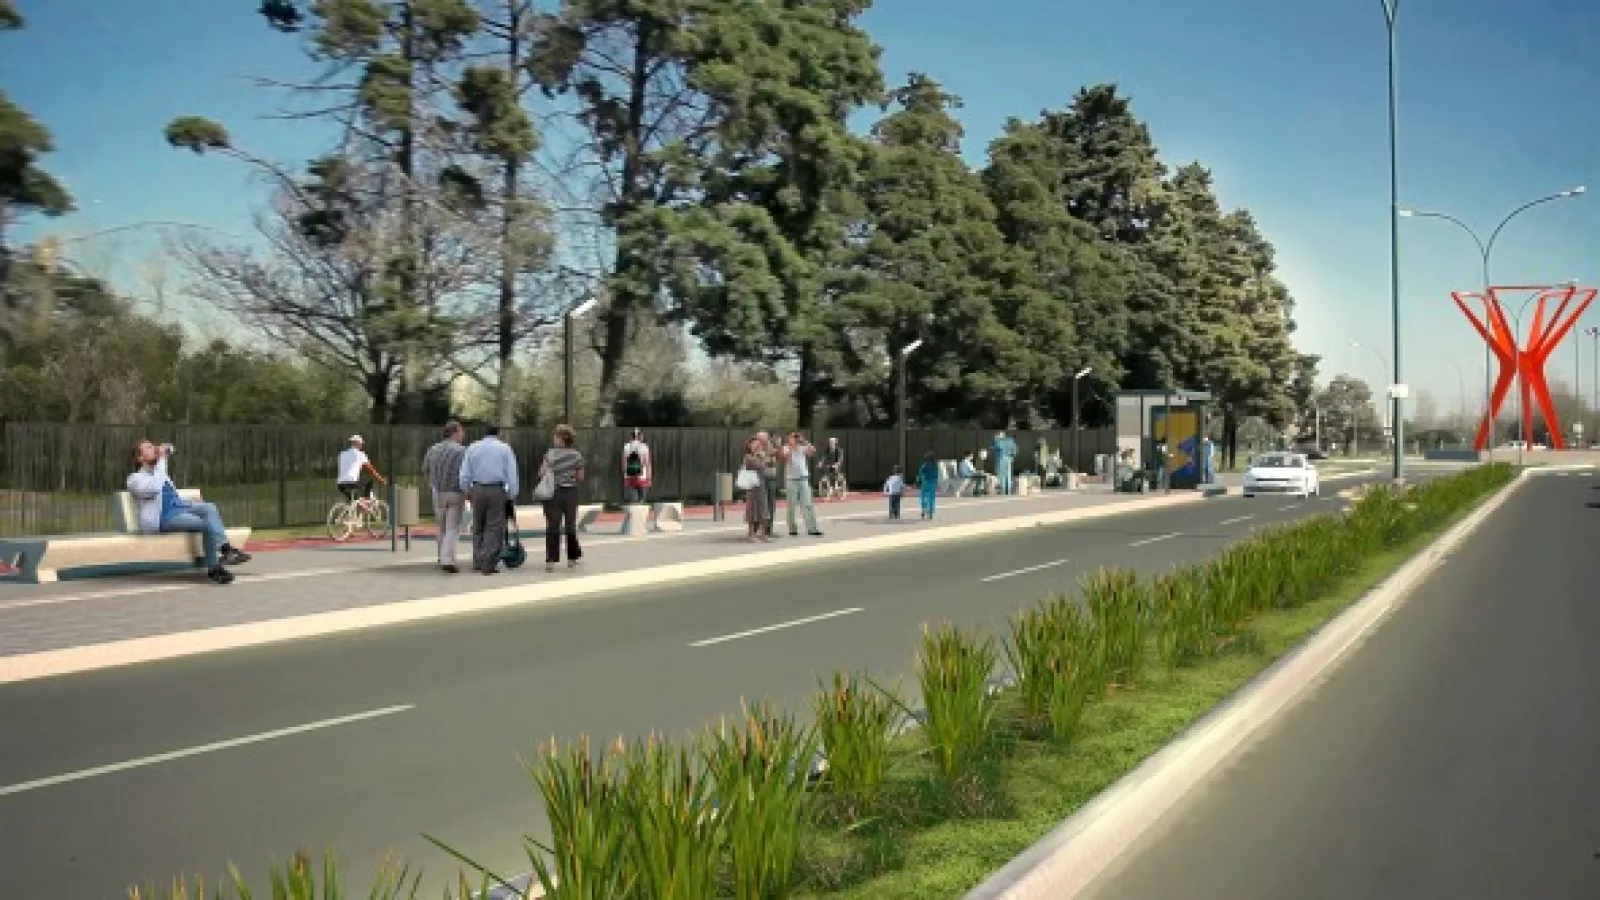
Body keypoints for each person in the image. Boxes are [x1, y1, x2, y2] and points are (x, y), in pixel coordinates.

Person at [126, 440, 251, 585]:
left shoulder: (160, 473)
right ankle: (214, 568)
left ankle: (226, 550)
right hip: (163, 518)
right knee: (206, 524)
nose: (154, 448)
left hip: (177, 509)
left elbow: (171, 498)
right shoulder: (135, 479)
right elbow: (154, 488)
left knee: (209, 507)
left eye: (153, 446)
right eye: (148, 448)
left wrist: (190, 501)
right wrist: (162, 460)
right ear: (140, 458)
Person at [459, 424, 519, 575]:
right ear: (498, 433)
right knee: (493, 527)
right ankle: (488, 563)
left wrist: (467, 490)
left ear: (484, 433)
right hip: (496, 489)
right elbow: (512, 474)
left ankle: (478, 560)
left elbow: (464, 473)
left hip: (477, 488)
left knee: (478, 525)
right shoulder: (505, 449)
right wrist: (512, 494)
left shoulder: (472, 448)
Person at [421, 421, 468, 573]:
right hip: (455, 492)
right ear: (454, 433)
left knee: (442, 527)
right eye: (461, 432)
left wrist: (432, 485)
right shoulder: (462, 451)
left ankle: (441, 556)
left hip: (437, 492)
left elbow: (425, 470)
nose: (463, 435)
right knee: (452, 527)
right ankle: (447, 559)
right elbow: (466, 473)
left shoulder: (433, 449)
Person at [539, 424, 586, 572]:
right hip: (571, 492)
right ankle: (571, 558)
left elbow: (542, 473)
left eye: (555, 436)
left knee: (553, 525)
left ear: (561, 438)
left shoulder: (550, 454)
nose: (554, 438)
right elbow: (580, 476)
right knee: (570, 525)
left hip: (554, 492)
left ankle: (551, 560)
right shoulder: (576, 455)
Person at [780, 431, 823, 537]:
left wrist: (804, 441)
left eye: (795, 437)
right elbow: (787, 459)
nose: (794, 439)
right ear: (788, 438)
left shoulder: (802, 447)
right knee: (791, 505)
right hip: (791, 480)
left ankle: (812, 528)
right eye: (792, 437)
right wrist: (792, 447)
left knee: (807, 504)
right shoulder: (785, 448)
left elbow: (813, 451)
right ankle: (792, 528)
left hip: (803, 479)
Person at [337, 435, 387, 506]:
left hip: (341, 484)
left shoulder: (342, 454)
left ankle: (352, 510)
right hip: (352, 482)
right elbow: (371, 470)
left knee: (354, 503)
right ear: (358, 443)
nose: (362, 445)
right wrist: (381, 480)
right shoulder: (360, 455)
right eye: (361, 444)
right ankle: (367, 499)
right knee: (369, 481)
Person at [741, 435, 770, 543]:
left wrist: (762, 457)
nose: (756, 445)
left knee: (763, 508)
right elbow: (760, 465)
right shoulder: (748, 457)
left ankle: (763, 534)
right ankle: (751, 534)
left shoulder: (760, 455)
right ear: (749, 445)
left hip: (761, 485)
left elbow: (765, 467)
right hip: (752, 486)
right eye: (754, 444)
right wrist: (761, 458)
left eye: (757, 443)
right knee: (752, 510)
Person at [755, 430, 779, 538]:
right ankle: (758, 529)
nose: (763, 440)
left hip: (771, 477)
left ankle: (769, 529)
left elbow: (775, 459)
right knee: (761, 503)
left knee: (771, 503)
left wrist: (776, 448)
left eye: (764, 438)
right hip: (760, 478)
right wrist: (767, 455)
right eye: (760, 438)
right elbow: (760, 462)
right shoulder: (756, 448)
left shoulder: (771, 447)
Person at [621, 428, 651, 504]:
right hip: (642, 477)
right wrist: (649, 477)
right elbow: (647, 463)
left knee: (633, 502)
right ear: (639, 436)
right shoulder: (644, 447)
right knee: (642, 501)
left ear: (631, 436)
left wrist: (625, 474)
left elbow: (623, 463)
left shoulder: (626, 447)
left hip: (629, 477)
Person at [991, 430, 1017, 495]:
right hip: (1009, 459)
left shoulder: (998, 441)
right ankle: (1008, 491)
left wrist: (995, 441)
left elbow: (995, 447)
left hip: (1001, 458)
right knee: (1008, 475)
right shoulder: (1011, 440)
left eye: (997, 435)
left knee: (1002, 475)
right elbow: (1015, 450)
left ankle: (1003, 491)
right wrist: (1012, 456)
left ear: (1000, 435)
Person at [917, 450, 940, 519]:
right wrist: (936, 482)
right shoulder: (935, 466)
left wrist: (919, 481)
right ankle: (930, 512)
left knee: (923, 496)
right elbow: (936, 475)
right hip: (932, 483)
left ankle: (923, 510)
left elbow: (920, 474)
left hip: (925, 483)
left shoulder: (924, 465)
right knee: (931, 497)